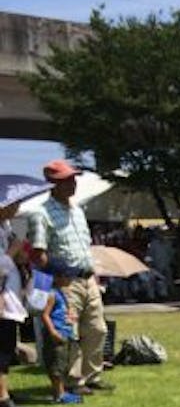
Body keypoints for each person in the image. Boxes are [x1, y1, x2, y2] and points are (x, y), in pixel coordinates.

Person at [29, 160, 114, 394]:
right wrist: (57, 277)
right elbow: (38, 253)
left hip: (87, 278)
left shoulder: (77, 211)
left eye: (73, 179)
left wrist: (94, 274)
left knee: (98, 329)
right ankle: (74, 380)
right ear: (54, 184)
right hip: (65, 281)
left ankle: (92, 375)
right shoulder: (41, 214)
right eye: (67, 180)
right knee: (71, 331)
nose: (73, 183)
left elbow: (84, 247)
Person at [41, 265, 83, 405]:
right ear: (57, 277)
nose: (71, 279)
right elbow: (45, 315)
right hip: (56, 335)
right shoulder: (51, 294)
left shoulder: (61, 292)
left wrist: (70, 318)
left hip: (65, 333)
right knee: (56, 365)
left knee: (63, 364)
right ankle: (59, 394)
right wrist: (53, 332)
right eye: (67, 276)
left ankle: (61, 392)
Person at [0, 202, 27, 407]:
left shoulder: (6, 226)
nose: (17, 208)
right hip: (2, 298)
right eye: (13, 204)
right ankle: (3, 399)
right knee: (2, 349)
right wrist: (12, 250)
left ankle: (4, 391)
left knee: (7, 347)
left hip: (10, 297)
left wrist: (19, 253)